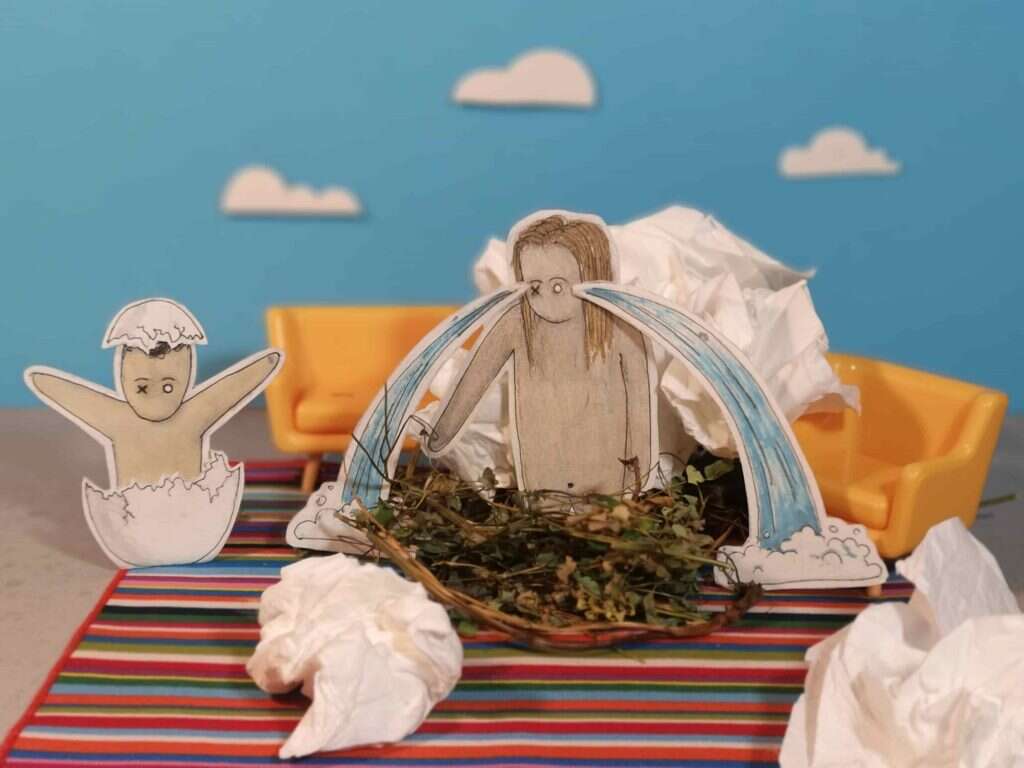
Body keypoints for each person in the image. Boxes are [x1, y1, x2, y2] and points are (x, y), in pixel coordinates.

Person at [425, 214, 655, 495]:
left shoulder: (621, 327)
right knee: (548, 507)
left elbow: (639, 398)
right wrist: (440, 435)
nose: (545, 298)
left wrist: (640, 471)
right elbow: (473, 379)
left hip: (607, 473)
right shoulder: (516, 323)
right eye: (534, 287)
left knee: (604, 513)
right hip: (542, 475)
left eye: (558, 286)